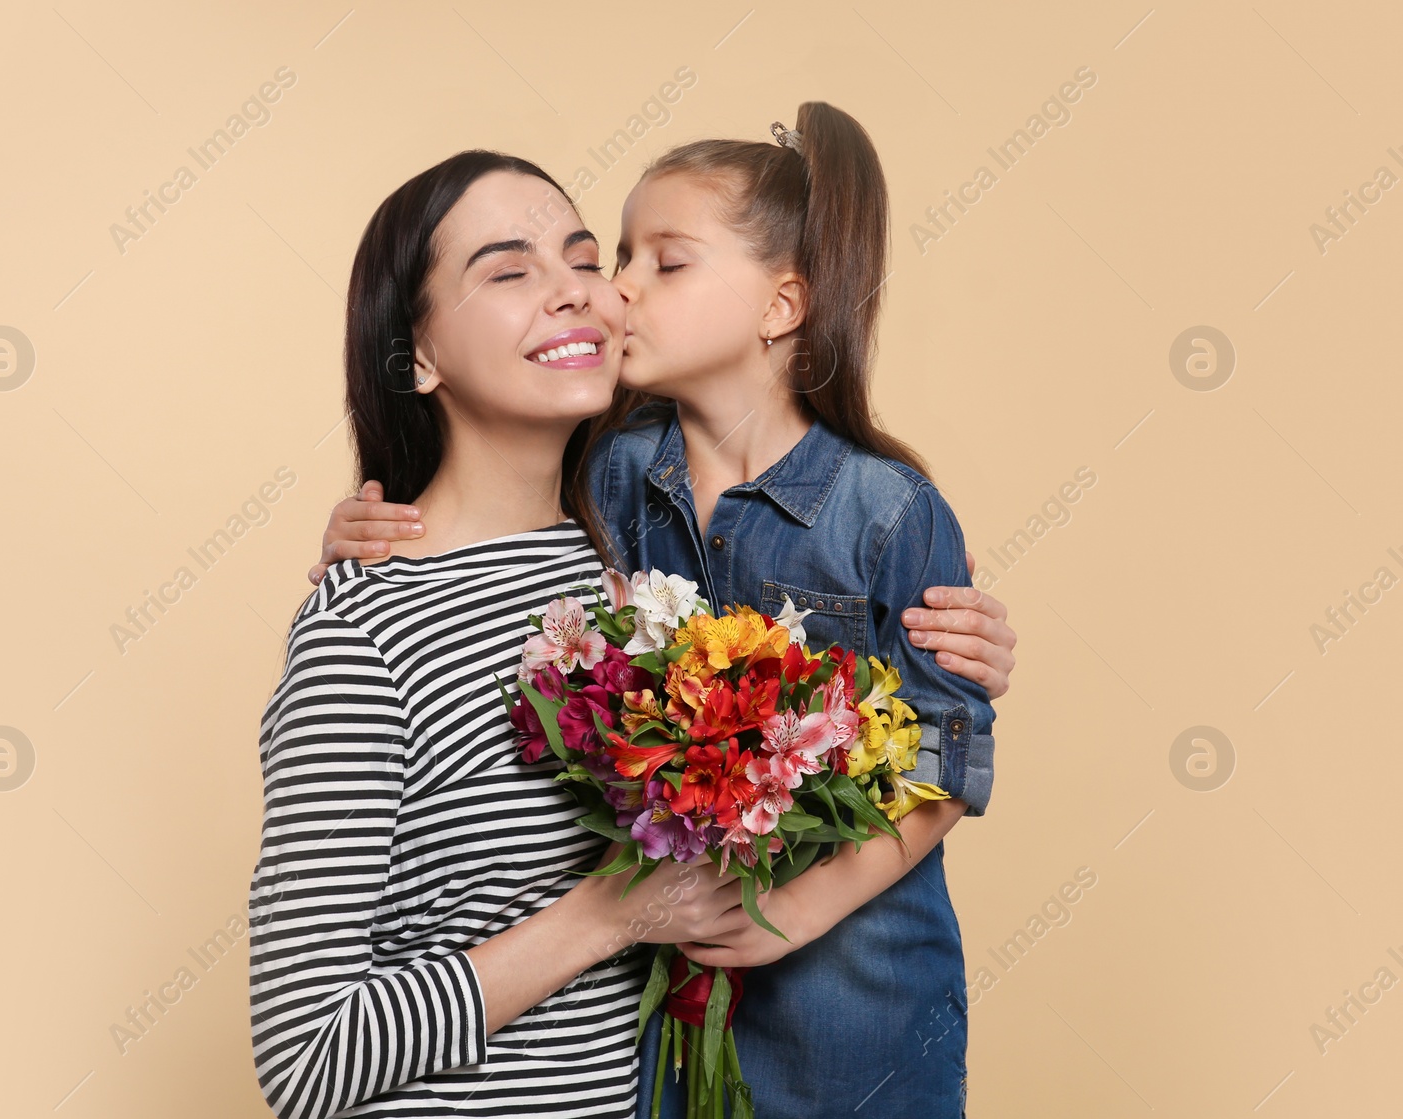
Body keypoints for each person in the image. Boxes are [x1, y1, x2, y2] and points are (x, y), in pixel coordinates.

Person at [309, 103, 1020, 1118]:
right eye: (621, 256)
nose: (614, 291)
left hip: (851, 1017)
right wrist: (360, 529)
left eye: (662, 263)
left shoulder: (886, 509)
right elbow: (479, 507)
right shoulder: (606, 479)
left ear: (782, 306)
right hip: (659, 1032)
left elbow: (946, 756)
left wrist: (789, 906)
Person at [249, 150, 756, 1119]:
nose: (572, 295)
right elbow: (305, 1060)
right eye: (509, 271)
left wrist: (940, 641)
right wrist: (609, 915)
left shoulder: (647, 587)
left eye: (581, 260)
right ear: (421, 356)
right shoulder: (363, 632)